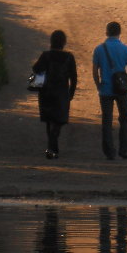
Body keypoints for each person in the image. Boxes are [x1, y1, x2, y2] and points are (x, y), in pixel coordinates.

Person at [31, 29, 78, 159]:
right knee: (58, 121)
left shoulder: (45, 55)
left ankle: (52, 147)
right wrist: (71, 93)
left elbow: (36, 69)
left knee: (49, 120)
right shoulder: (69, 57)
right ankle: (52, 146)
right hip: (61, 93)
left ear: (51, 41)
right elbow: (73, 77)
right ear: (64, 42)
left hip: (46, 92)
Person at [92, 21, 127, 160]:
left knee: (106, 120)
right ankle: (125, 150)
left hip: (105, 89)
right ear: (119, 33)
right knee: (124, 119)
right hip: (122, 90)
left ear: (106, 32)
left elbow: (94, 71)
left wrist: (98, 85)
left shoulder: (99, 49)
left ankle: (109, 152)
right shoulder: (126, 49)